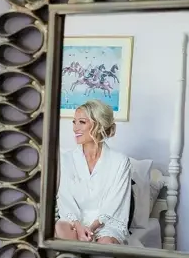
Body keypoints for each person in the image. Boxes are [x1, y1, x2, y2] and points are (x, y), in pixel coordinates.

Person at [55, 100, 132, 245]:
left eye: (82, 122)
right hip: (74, 222)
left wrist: (90, 229)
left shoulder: (120, 162)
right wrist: (78, 227)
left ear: (98, 124)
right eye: (74, 122)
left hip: (106, 224)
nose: (75, 128)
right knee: (60, 227)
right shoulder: (65, 159)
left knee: (106, 243)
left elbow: (113, 204)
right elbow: (65, 199)